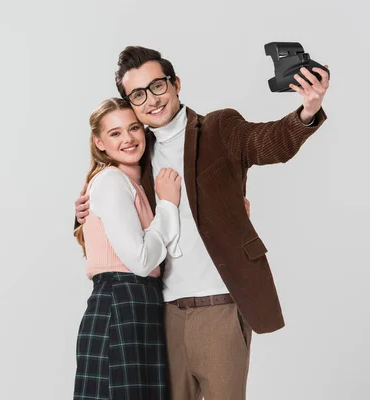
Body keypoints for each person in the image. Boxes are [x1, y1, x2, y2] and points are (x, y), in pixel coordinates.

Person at [74, 46, 330, 400]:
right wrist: (81, 211)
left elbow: (268, 142)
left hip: (218, 308)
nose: (151, 100)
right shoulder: (136, 151)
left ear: (176, 83)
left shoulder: (219, 128)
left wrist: (308, 111)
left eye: (158, 86)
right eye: (137, 95)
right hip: (161, 315)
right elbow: (117, 207)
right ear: (130, 103)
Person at [73, 97, 182, 400]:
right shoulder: (111, 181)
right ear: (100, 142)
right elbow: (141, 260)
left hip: (137, 304)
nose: (128, 138)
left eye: (133, 128)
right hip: (121, 303)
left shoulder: (131, 183)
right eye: (115, 133)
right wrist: (168, 206)